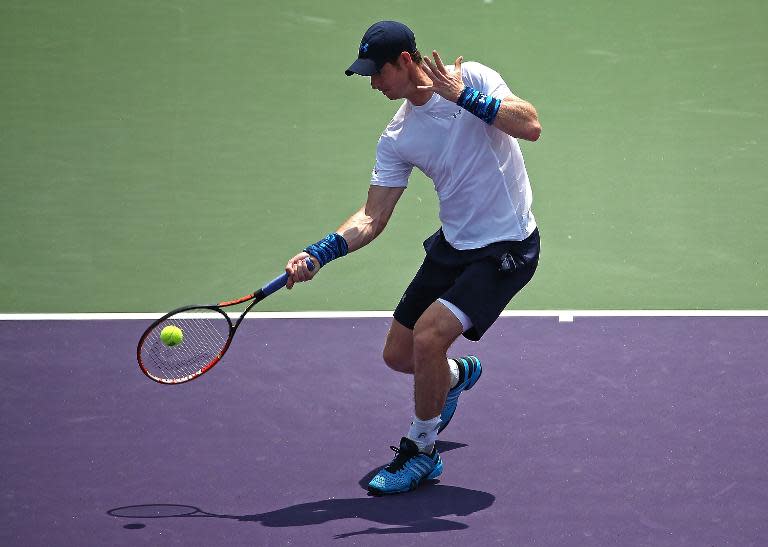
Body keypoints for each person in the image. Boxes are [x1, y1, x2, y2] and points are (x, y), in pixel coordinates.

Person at [284, 20, 541, 495]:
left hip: (507, 247)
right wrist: (319, 253)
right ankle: (456, 375)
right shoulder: (398, 136)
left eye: (377, 73)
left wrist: (466, 97)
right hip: (455, 246)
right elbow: (372, 216)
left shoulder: (474, 78)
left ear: (405, 61)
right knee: (399, 355)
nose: (374, 84)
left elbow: (530, 125)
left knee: (428, 338)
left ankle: (420, 452)